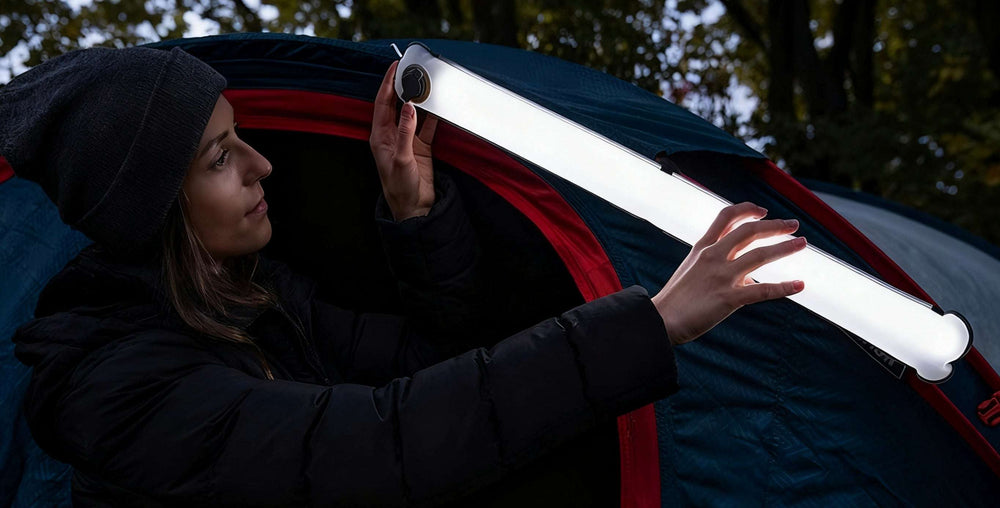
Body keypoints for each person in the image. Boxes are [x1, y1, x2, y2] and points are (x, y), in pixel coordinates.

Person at [0, 46, 806, 507]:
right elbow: (377, 444)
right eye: (220, 158)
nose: (262, 164)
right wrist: (654, 322)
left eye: (240, 136)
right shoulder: (115, 388)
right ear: (155, 210)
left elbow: (440, 367)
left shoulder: (257, 298)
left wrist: (416, 217)